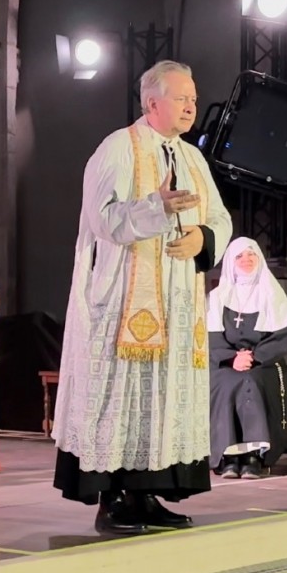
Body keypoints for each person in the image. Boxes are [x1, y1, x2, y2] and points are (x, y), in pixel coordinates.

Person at [53, 60, 233, 534]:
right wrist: (156, 208)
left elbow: (220, 216)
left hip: (177, 302)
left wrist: (203, 239)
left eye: (193, 98)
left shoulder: (193, 158)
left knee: (161, 397)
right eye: (181, 98)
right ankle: (113, 499)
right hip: (122, 299)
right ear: (152, 103)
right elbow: (102, 218)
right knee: (123, 395)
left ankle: (146, 494)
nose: (191, 106)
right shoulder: (118, 147)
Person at [207, 238, 287, 479]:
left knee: (253, 381)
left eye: (251, 255)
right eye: (239, 256)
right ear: (230, 262)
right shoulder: (217, 297)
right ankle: (228, 456)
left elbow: (285, 334)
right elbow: (209, 337)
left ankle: (254, 456)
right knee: (226, 382)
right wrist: (231, 358)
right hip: (225, 363)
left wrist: (256, 357)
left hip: (263, 362)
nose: (246, 260)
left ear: (259, 259)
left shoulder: (272, 294)